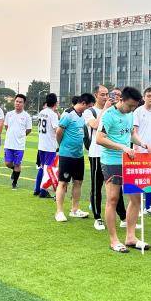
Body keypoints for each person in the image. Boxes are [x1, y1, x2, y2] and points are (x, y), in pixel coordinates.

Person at [96, 86, 151, 253]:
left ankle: (131, 237)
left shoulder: (130, 114)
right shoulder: (109, 115)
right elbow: (99, 139)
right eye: (130, 106)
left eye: (134, 107)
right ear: (121, 100)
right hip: (111, 161)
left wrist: (141, 143)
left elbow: (131, 133)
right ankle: (114, 240)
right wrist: (122, 147)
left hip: (129, 160)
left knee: (135, 198)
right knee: (113, 199)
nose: (132, 109)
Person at [84, 86, 126, 231]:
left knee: (117, 188)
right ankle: (97, 217)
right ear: (95, 95)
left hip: (112, 155)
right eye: (102, 94)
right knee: (97, 187)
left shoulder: (114, 111)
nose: (106, 97)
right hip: (96, 153)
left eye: (107, 94)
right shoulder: (89, 112)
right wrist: (105, 109)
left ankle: (123, 217)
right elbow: (95, 125)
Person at [54, 93, 93, 222]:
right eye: (89, 106)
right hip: (66, 155)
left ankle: (75, 209)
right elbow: (59, 132)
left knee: (78, 182)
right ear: (83, 104)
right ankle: (59, 212)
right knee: (63, 182)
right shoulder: (68, 114)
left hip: (79, 155)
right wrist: (62, 146)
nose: (89, 109)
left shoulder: (82, 117)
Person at [133, 87, 151, 215]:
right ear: (144, 97)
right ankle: (137, 207)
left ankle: (148, 206)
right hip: (140, 151)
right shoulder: (138, 111)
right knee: (139, 180)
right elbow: (134, 131)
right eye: (148, 95)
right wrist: (137, 147)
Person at [3, 94, 32, 189]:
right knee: (8, 163)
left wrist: (21, 136)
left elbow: (28, 129)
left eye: (20, 102)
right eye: (17, 101)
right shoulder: (9, 114)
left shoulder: (26, 116)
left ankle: (14, 183)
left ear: (24, 104)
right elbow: (6, 126)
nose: (18, 103)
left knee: (17, 164)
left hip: (19, 145)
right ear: (14, 102)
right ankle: (15, 171)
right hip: (8, 144)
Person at [34, 93, 59, 198]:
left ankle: (37, 189)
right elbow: (56, 129)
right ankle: (43, 191)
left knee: (42, 167)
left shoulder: (42, 112)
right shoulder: (52, 114)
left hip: (42, 145)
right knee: (48, 169)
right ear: (55, 103)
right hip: (49, 146)